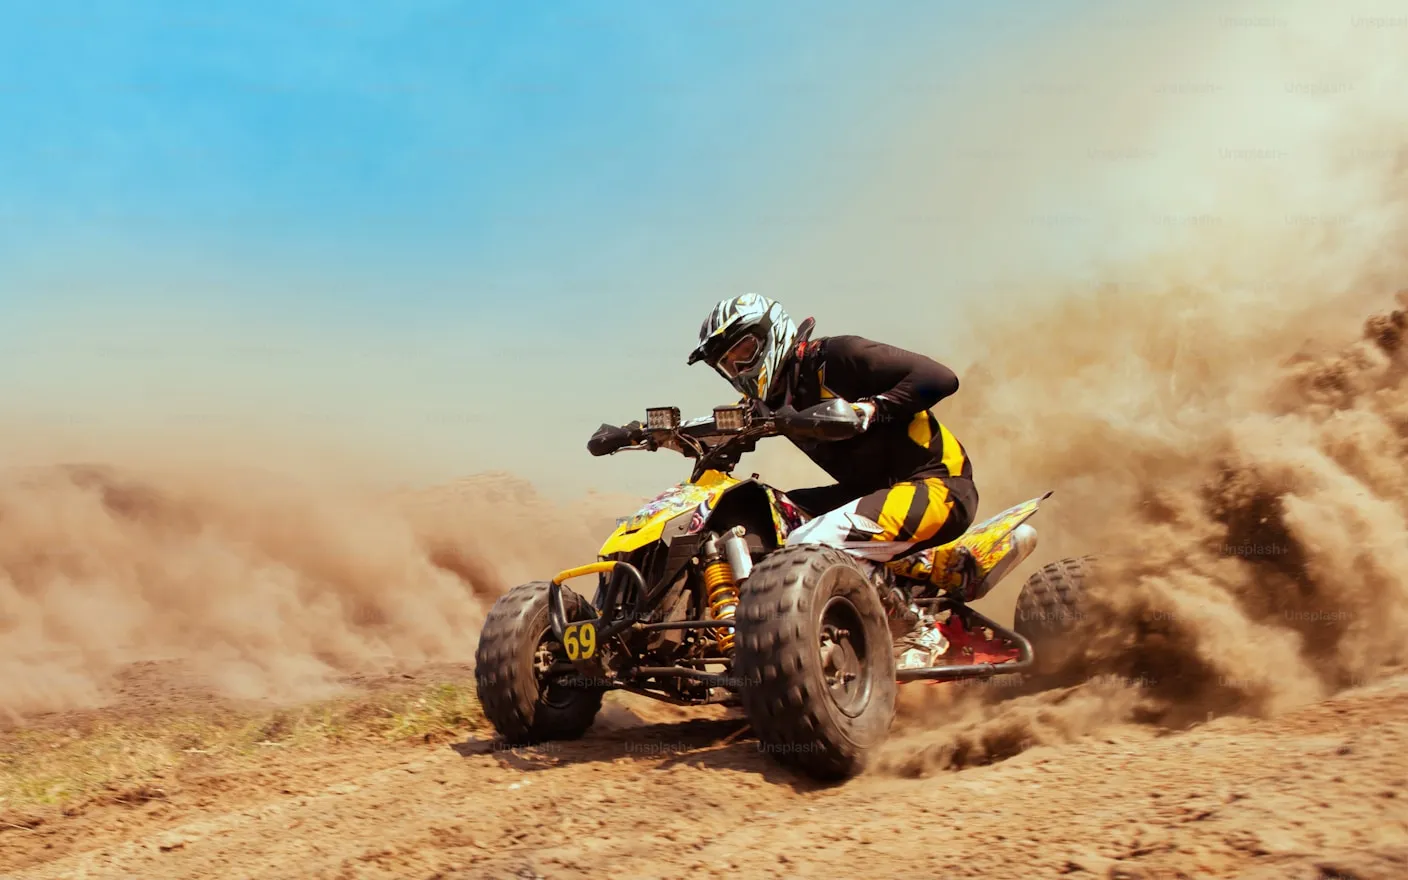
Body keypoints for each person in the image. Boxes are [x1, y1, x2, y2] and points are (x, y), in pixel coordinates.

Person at [687, 293, 978, 669]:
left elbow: (940, 377)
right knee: (756, 522)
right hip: (869, 496)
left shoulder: (836, 358)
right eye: (726, 364)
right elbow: (719, 427)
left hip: (938, 486)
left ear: (770, 334)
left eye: (743, 350)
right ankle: (777, 644)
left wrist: (871, 408)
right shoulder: (769, 401)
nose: (737, 368)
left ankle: (914, 629)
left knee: (809, 540)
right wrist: (643, 433)